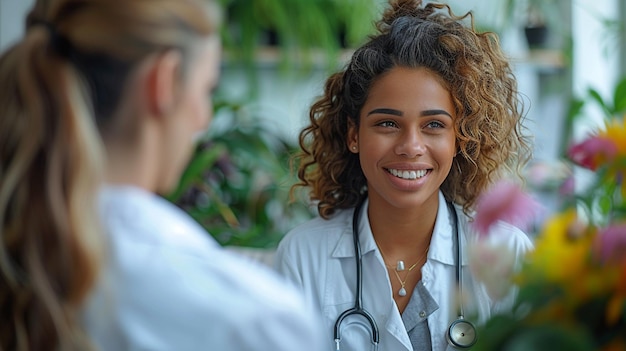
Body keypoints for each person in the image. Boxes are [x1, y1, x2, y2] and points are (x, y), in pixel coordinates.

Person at [0, 0, 324, 350]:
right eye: (206, 91)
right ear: (165, 81)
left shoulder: (23, 248)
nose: (203, 120)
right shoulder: (251, 318)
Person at [274, 0, 535, 350]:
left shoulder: (508, 253)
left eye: (433, 125)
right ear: (354, 135)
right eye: (387, 123)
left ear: (461, 137)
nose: (411, 146)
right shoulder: (304, 255)